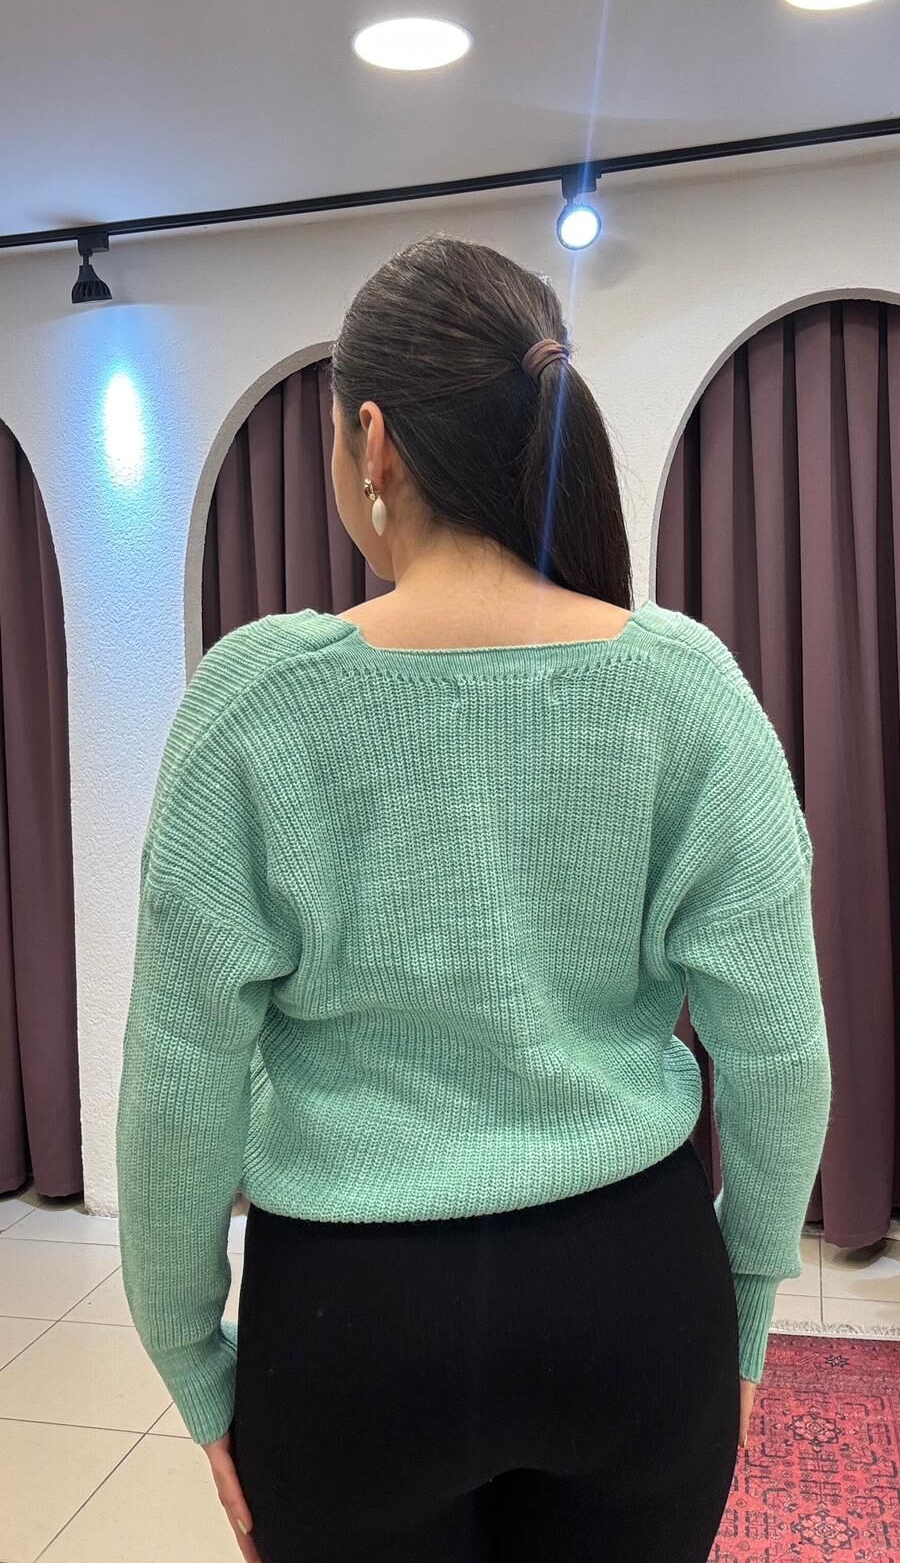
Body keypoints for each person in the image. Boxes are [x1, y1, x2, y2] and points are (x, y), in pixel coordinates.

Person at [115, 234, 833, 1563]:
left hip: (352, 1324)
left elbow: (178, 1083)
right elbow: (782, 1052)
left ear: (372, 441)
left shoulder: (256, 701)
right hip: (637, 1297)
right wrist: (742, 1303)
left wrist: (188, 1350)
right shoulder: (688, 685)